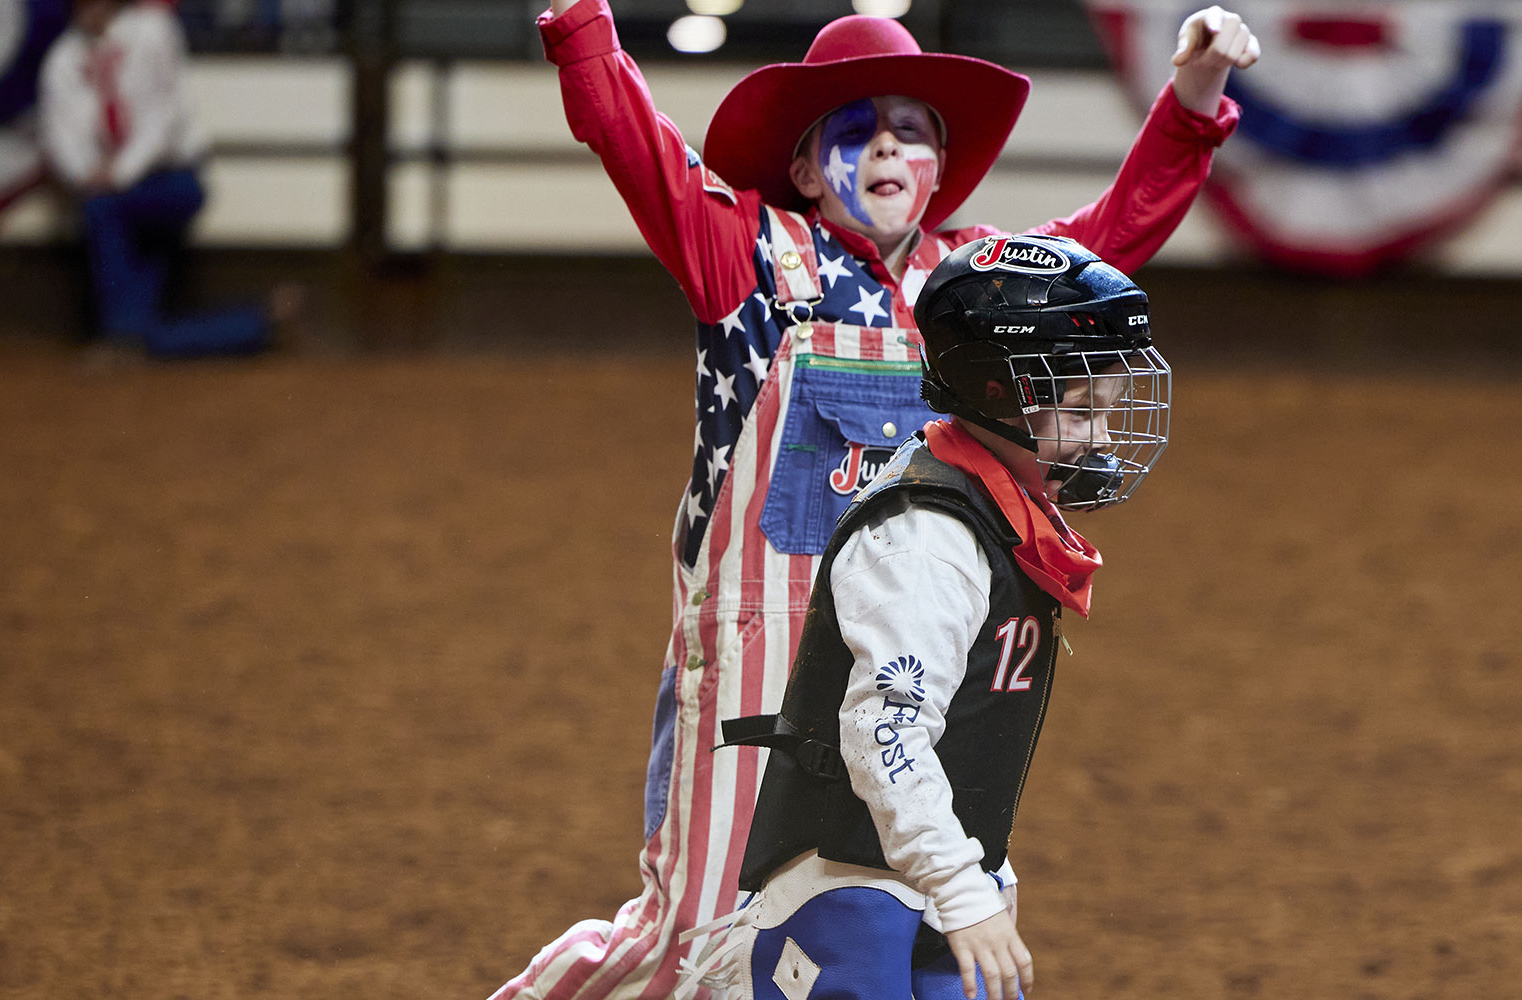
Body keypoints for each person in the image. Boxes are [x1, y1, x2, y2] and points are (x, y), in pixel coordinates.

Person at [490, 6, 1254, 1000]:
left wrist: (1192, 102)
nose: (891, 143)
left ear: (940, 166)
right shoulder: (752, 256)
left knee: (868, 914)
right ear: (806, 171)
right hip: (761, 645)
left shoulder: (976, 281)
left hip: (925, 645)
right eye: (860, 128)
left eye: (914, 128)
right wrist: (583, 28)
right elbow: (644, 157)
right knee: (693, 927)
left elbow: (1114, 241)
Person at [698, 234, 1170, 1000]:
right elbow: (884, 735)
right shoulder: (927, 541)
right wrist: (961, 887)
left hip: (916, 885)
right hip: (851, 901)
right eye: (1083, 412)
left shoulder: (993, 512)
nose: (1105, 440)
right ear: (996, 392)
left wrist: (978, 875)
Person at [38, 0, 283, 357]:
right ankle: (258, 324)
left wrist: (118, 173)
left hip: (171, 178)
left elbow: (165, 116)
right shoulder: (62, 58)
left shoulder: (153, 30)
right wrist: (86, 172)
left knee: (103, 211)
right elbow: (59, 135)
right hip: (112, 189)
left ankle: (122, 339)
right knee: (143, 318)